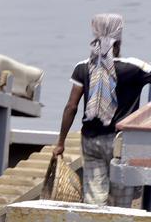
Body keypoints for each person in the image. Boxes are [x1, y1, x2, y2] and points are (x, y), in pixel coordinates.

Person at [55, 13, 151, 206]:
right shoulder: (135, 68)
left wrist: (61, 142)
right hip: (120, 143)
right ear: (119, 39)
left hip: (91, 140)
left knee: (94, 198)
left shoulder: (82, 68)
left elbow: (71, 107)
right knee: (121, 200)